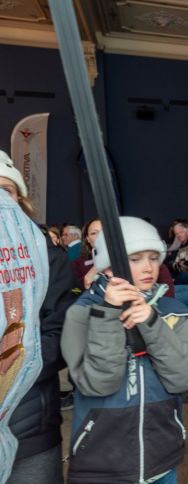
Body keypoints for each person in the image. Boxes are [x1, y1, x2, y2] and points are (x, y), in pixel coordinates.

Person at [61, 216, 188, 483]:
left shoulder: (175, 312)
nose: (148, 267)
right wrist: (109, 315)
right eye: (135, 259)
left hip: (162, 459)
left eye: (153, 257)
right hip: (101, 464)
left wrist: (151, 322)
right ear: (109, 267)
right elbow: (98, 384)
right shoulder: (81, 314)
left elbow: (186, 378)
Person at [1, 151, 75, 484]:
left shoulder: (47, 256)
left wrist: (12, 370)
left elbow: (60, 332)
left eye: (6, 191)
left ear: (21, 199)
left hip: (30, 426)